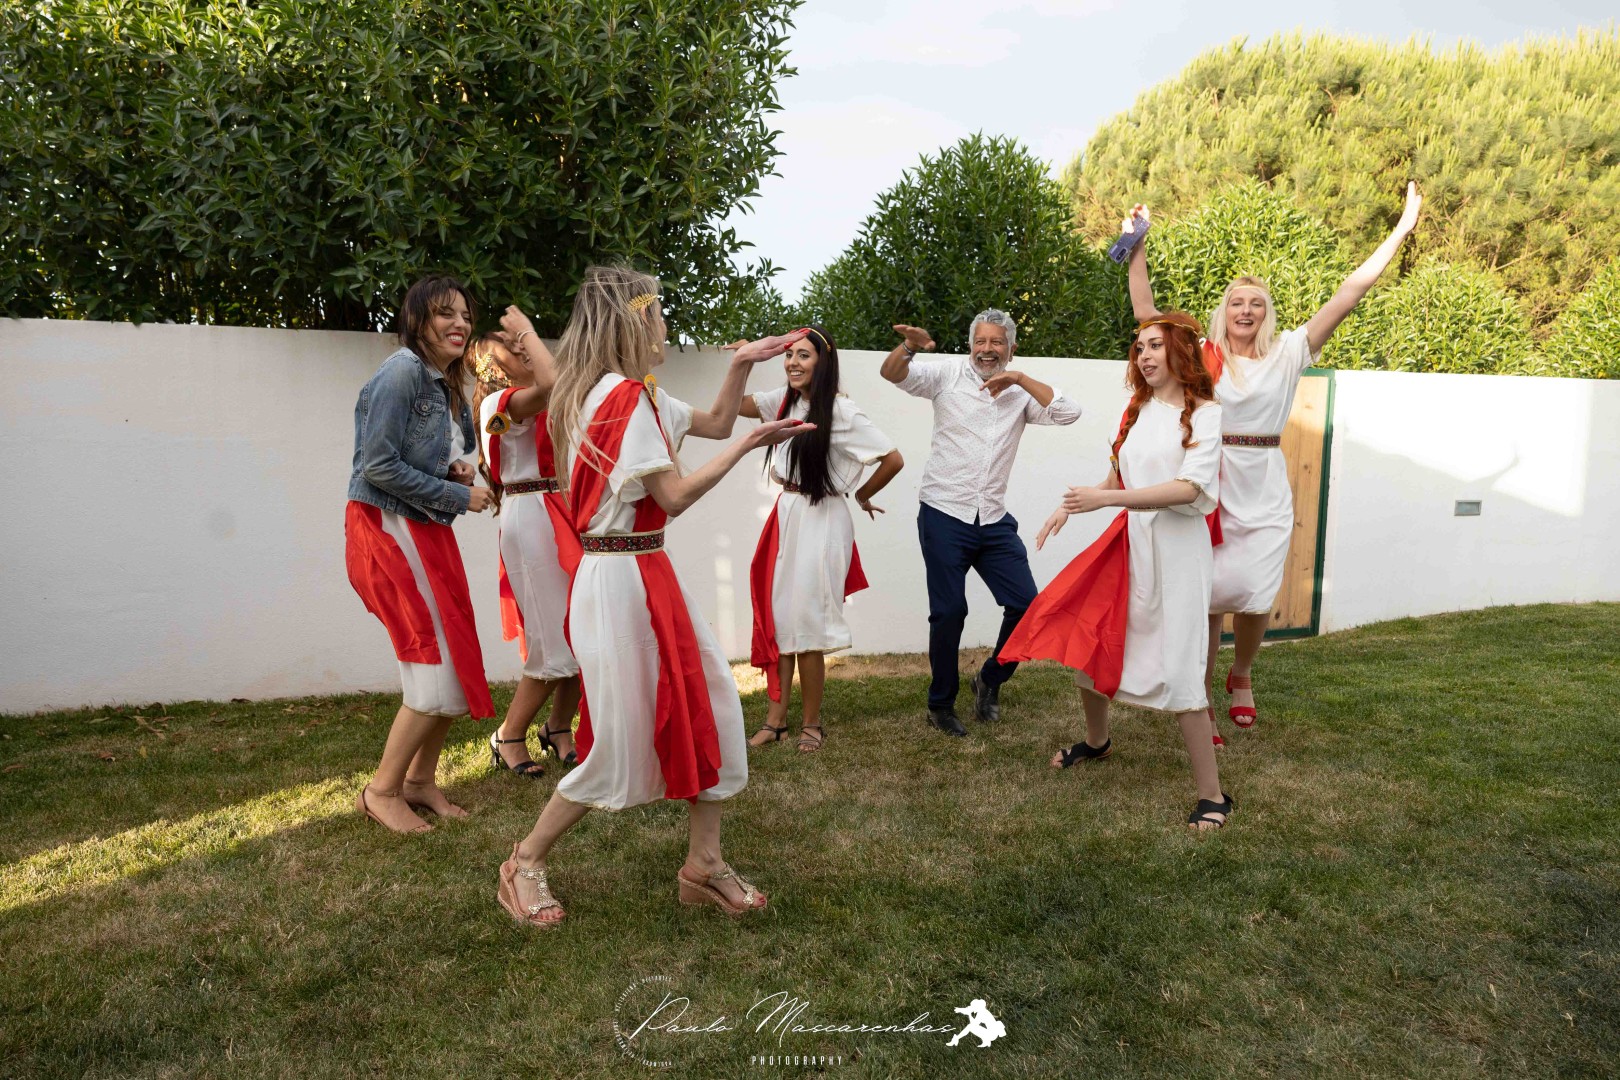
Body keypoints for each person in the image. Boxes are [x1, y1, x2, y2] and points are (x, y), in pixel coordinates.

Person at [496, 265, 811, 928]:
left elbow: (716, 421)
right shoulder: (622, 400)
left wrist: (741, 365)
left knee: (711, 703)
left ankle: (704, 865)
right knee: (619, 737)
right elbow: (672, 496)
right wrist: (751, 445)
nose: (665, 325)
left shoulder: (633, 395)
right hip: (619, 579)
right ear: (635, 322)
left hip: (645, 571)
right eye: (659, 313)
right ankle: (523, 861)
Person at [1127, 182, 1422, 737]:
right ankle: (1201, 699)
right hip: (1211, 482)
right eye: (1237, 302)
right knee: (1210, 597)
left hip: (1263, 486)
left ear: (1267, 314)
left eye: (1256, 303)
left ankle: (1241, 673)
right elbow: (1146, 312)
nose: (1246, 309)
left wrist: (1401, 231)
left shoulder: (1291, 351)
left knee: (1257, 593)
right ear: (1224, 312)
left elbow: (1349, 292)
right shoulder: (1203, 355)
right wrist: (1137, 246)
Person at [999, 312, 1231, 829]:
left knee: (1181, 666)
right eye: (1139, 347)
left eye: (1155, 346)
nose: (1144, 356)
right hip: (1131, 546)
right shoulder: (1134, 411)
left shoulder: (1206, 414)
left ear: (1181, 352)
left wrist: (1107, 501)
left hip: (1177, 551)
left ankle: (1213, 796)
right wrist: (1070, 506)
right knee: (1091, 639)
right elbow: (1115, 478)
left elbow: (1189, 489)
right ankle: (1097, 741)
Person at [879, 310, 1081, 736]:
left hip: (992, 518)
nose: (987, 350)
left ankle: (989, 679)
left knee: (1027, 606)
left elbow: (1069, 413)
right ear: (971, 345)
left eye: (997, 342)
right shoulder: (947, 375)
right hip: (944, 513)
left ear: (1011, 348)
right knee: (950, 611)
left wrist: (1020, 380)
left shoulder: (1021, 393)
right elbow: (893, 374)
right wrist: (910, 346)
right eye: (981, 342)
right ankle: (940, 704)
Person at [344, 275, 496, 834]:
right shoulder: (403, 371)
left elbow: (423, 456)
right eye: (444, 314)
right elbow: (377, 466)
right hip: (388, 526)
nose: (460, 324)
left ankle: (419, 781)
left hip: (424, 528)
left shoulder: (445, 381)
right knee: (430, 664)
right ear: (416, 320)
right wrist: (458, 495)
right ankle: (380, 792)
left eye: (465, 315)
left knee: (454, 661)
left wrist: (455, 471)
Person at [740, 323, 904, 753]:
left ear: (823, 361)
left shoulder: (842, 411)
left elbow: (893, 458)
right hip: (788, 513)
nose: (793, 363)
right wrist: (742, 363)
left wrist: (862, 495)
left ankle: (811, 724)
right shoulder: (784, 401)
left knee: (808, 621)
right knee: (780, 618)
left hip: (824, 517)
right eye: (788, 354)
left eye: (803, 355)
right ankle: (775, 721)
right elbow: (733, 408)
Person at [470, 326, 582, 779]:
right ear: (493, 369)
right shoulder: (498, 405)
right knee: (551, 637)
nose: (524, 350)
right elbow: (553, 383)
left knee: (582, 626)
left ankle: (558, 728)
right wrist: (532, 337)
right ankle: (509, 735)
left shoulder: (543, 398)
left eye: (523, 344)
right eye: (513, 349)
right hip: (531, 517)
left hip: (561, 509)